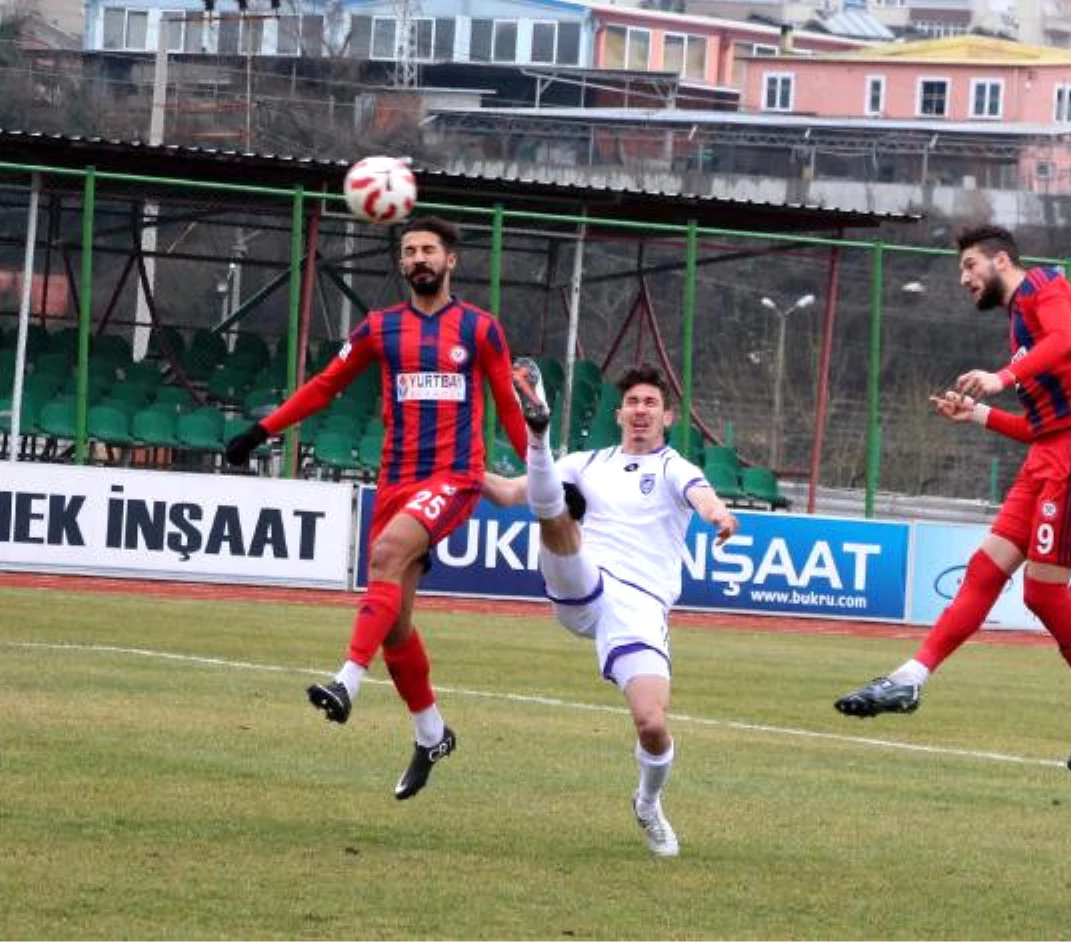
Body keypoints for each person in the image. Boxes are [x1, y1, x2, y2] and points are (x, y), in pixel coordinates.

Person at [225, 216, 529, 799]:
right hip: (395, 483)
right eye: (410, 250)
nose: (419, 258)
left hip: (454, 476)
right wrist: (262, 430)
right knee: (396, 626)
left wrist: (545, 473)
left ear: (451, 261)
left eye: (429, 250)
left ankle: (346, 682)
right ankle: (431, 733)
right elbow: (325, 385)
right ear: (401, 263)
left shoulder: (481, 329)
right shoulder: (379, 328)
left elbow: (509, 408)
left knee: (388, 554)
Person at [834, 224, 1071, 772]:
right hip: (1053, 454)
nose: (965, 279)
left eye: (970, 266)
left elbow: (1064, 344)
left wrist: (1002, 377)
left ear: (1001, 260)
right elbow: (1043, 429)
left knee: (1043, 595)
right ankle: (910, 678)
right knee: (984, 569)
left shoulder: (1045, 287)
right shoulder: (1021, 325)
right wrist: (977, 414)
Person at [484, 361, 738, 856]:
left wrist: (721, 516)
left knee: (652, 723)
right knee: (553, 509)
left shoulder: (674, 468)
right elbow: (508, 492)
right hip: (585, 583)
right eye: (633, 403)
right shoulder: (586, 463)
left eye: (651, 404)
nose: (641, 411)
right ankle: (540, 431)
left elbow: (703, 497)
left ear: (667, 418)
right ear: (619, 413)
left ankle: (647, 804)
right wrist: (452, 472)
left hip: (639, 610)